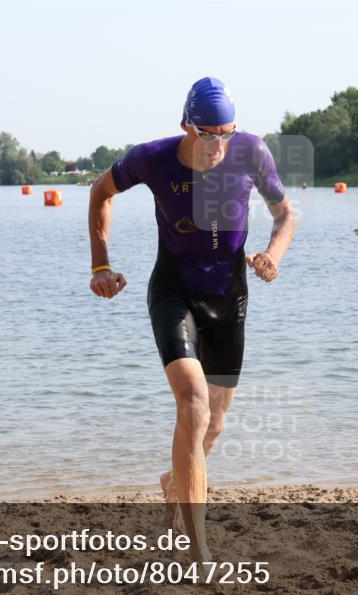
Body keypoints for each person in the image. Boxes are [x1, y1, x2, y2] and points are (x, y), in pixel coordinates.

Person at [86, 77, 296, 562]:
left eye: (227, 133)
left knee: (214, 425)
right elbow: (101, 191)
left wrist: (273, 254)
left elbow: (284, 214)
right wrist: (101, 265)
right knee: (194, 404)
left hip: (229, 296)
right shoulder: (153, 158)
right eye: (209, 134)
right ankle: (199, 549)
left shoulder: (252, 152)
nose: (219, 144)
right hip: (174, 290)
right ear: (187, 126)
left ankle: (174, 481)